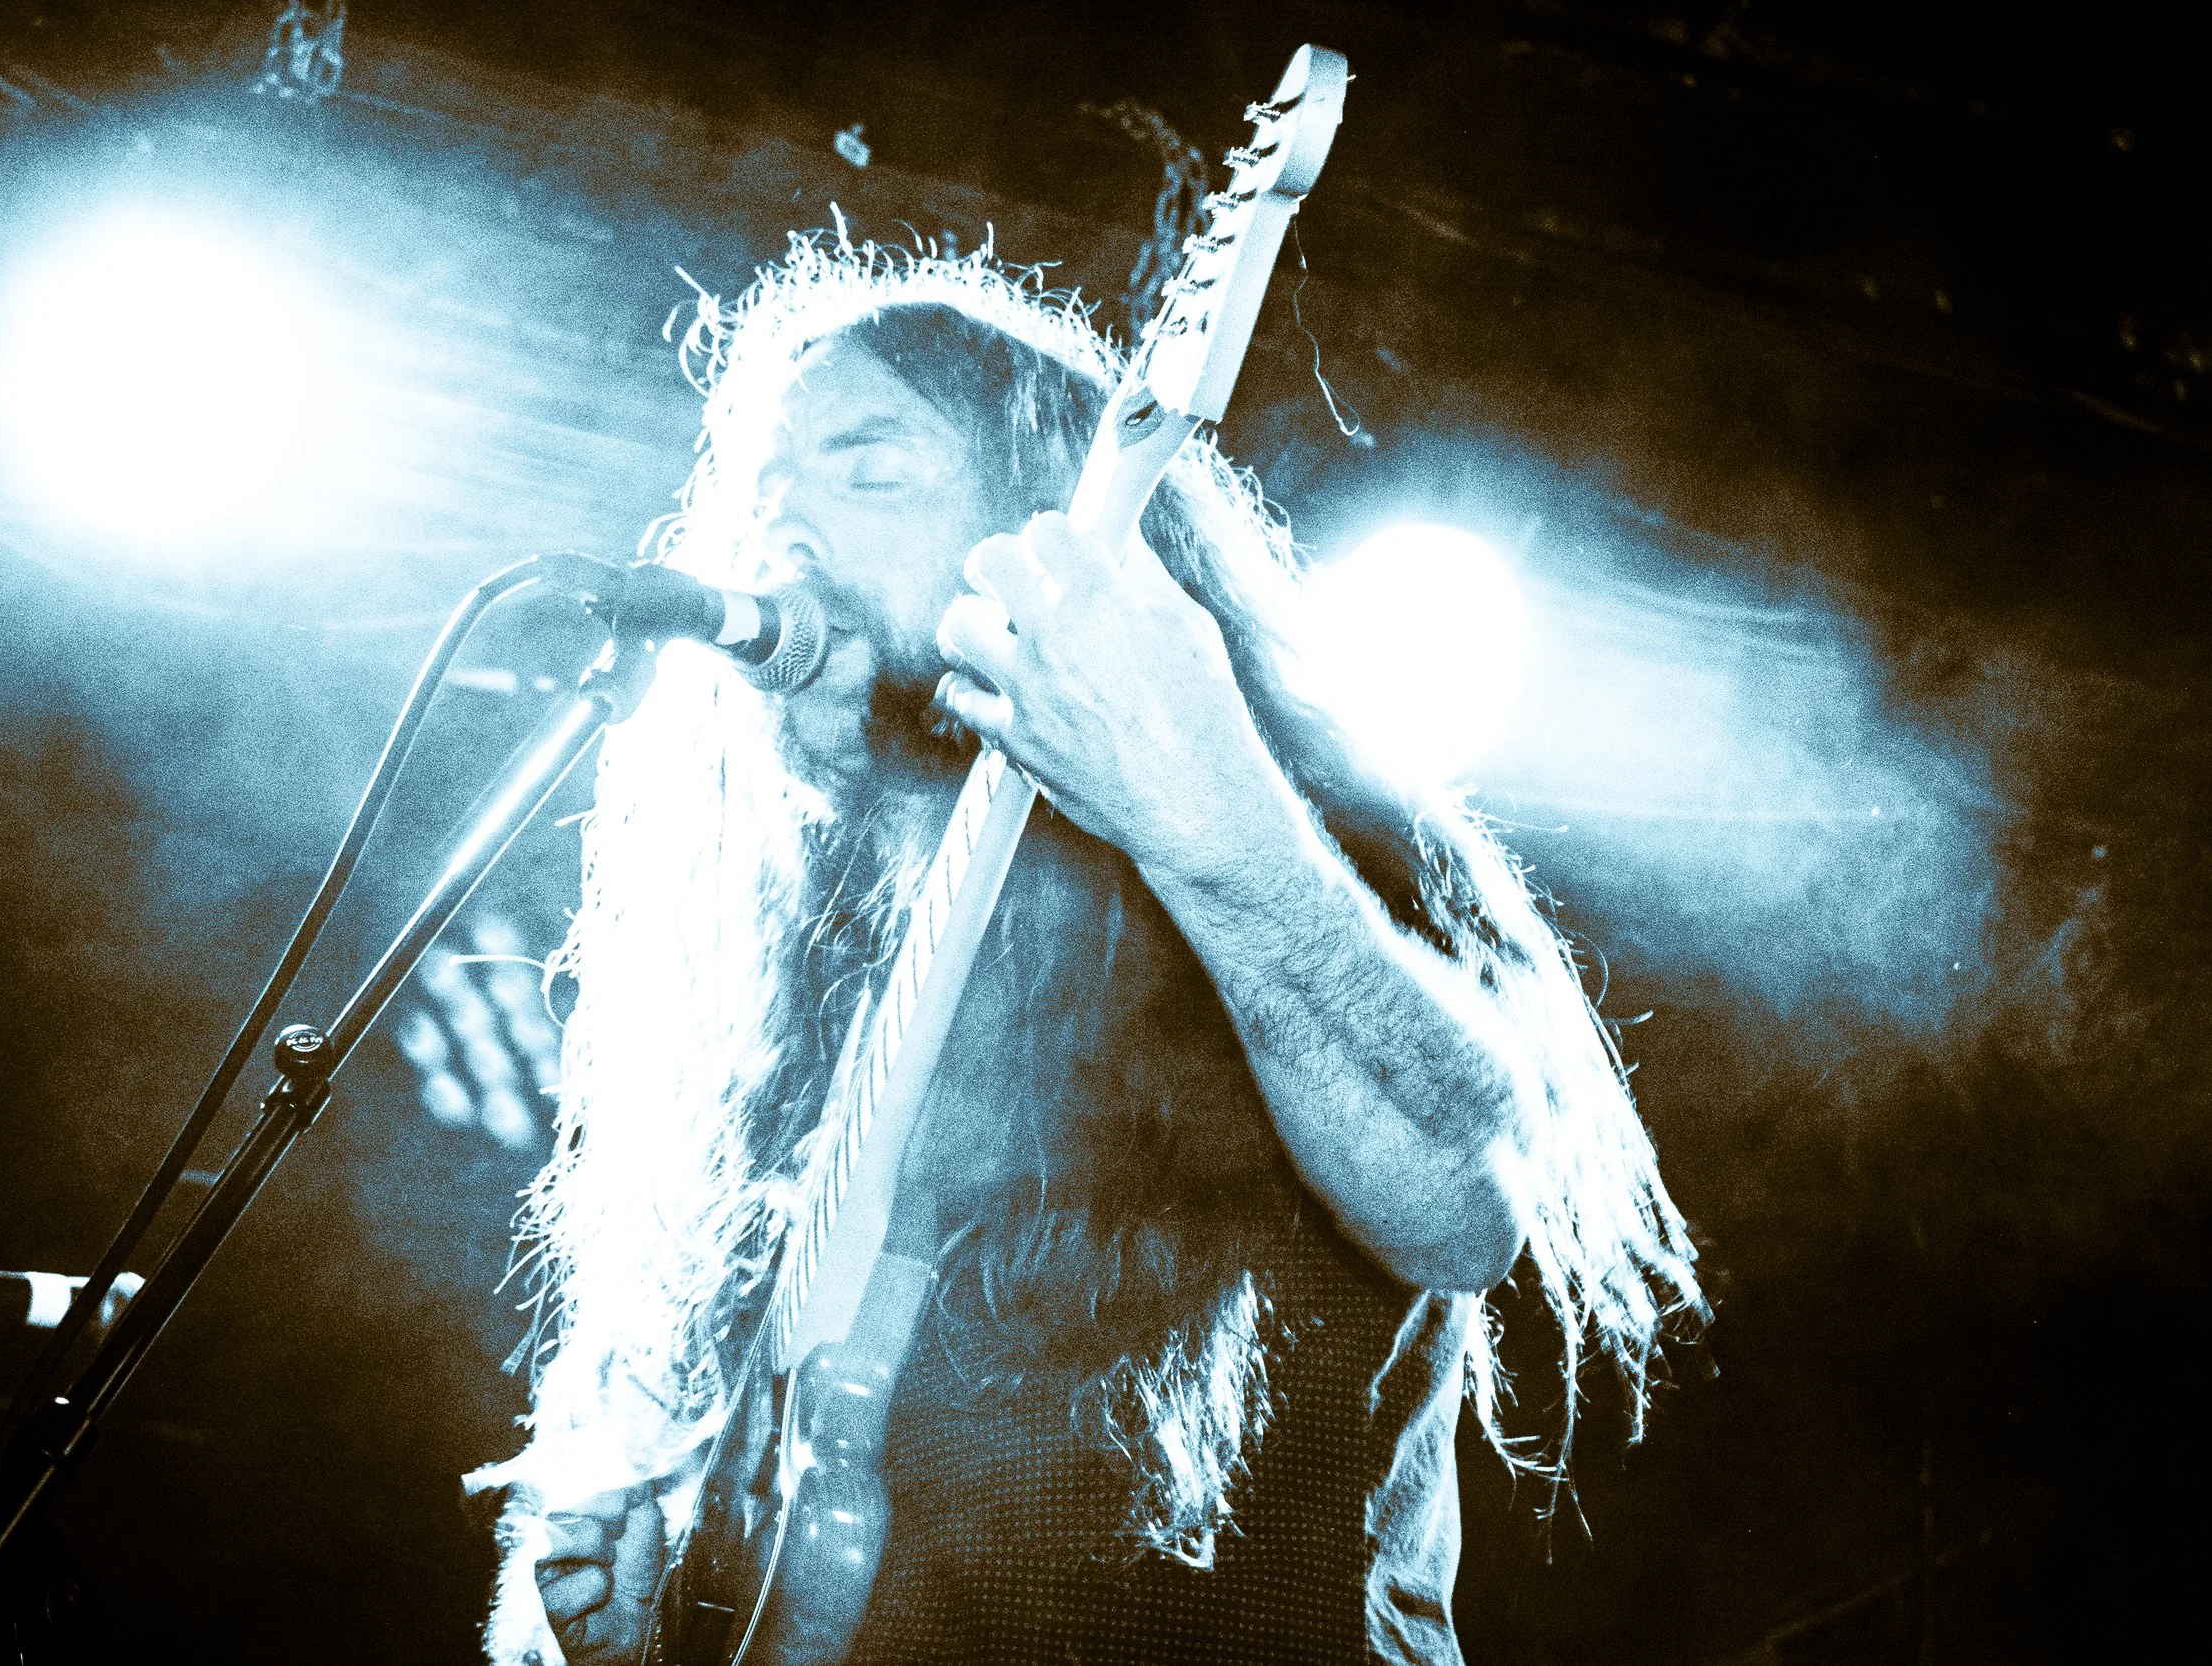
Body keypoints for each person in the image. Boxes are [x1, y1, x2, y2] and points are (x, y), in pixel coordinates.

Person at [465, 237, 1702, 1666]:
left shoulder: (1298, 820)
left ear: (1052, 528)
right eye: (764, 504)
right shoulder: (789, 969)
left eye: (872, 472)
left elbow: (1463, 1200)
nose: (786, 544)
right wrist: (638, 1608)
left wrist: (1204, 807)